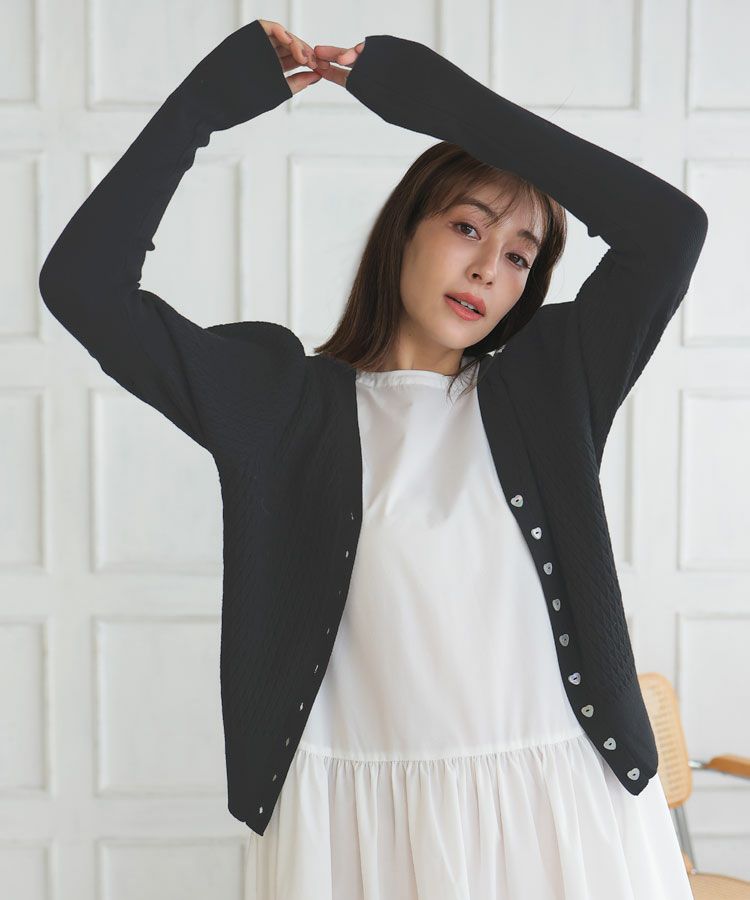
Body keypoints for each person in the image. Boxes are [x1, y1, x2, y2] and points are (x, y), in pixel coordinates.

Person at [39, 17, 707, 899]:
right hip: (358, 832)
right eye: (467, 227)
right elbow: (82, 284)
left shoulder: (551, 388)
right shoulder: (281, 406)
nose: (489, 270)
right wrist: (204, 105)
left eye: (519, 256)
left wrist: (448, 107)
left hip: (564, 811)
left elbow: (671, 230)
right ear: (405, 232)